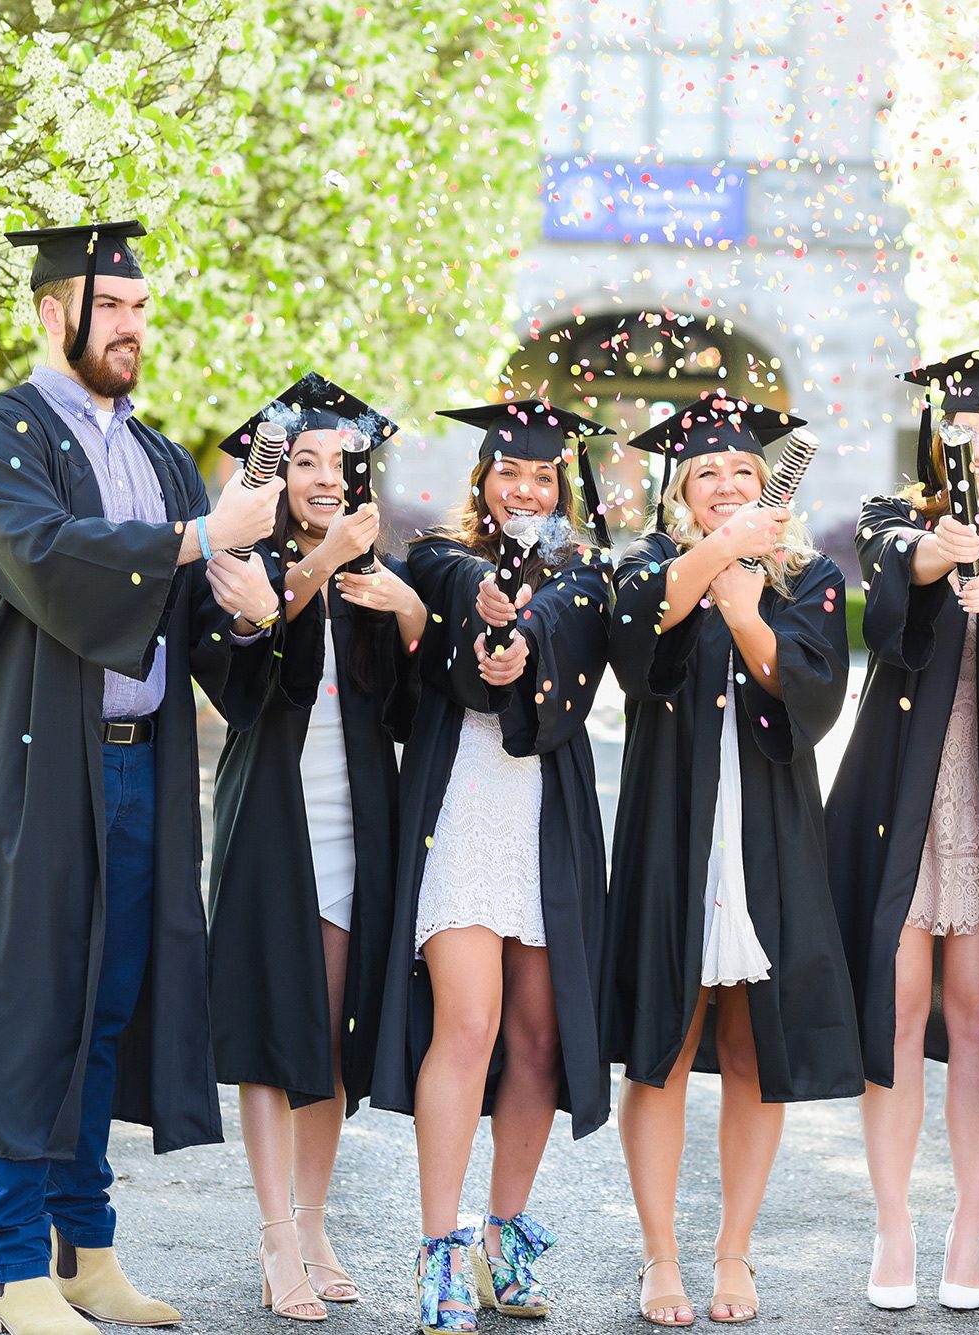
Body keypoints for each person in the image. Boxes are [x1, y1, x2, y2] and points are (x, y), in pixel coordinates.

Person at [0, 220, 286, 1335]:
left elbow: (190, 623)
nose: (136, 329)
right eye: (116, 311)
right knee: (27, 1012)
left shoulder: (153, 458)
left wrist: (251, 615)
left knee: (104, 1012)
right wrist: (198, 540)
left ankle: (87, 1254)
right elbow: (51, 564)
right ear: (53, 313)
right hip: (33, 773)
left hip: (142, 776)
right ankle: (15, 1276)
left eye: (144, 311)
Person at [603, 391, 860, 1328]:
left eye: (740, 471)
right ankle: (661, 1256)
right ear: (681, 493)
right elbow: (640, 653)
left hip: (769, 835)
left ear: (768, 484)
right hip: (674, 830)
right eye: (704, 473)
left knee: (755, 1043)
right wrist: (717, 561)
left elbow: (815, 698)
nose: (723, 482)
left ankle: (733, 1252)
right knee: (663, 1046)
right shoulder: (645, 568)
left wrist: (749, 609)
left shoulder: (810, 579)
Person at [824, 352, 979, 1312]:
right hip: (902, 795)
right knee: (899, 1007)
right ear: (941, 443)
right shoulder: (900, 515)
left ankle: (969, 1228)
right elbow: (890, 588)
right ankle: (895, 1227)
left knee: (978, 1015)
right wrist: (940, 550)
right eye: (967, 435)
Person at [370, 398, 616, 1335]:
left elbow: (562, 631)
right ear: (483, 478)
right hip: (464, 813)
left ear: (562, 486)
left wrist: (524, 637)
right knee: (468, 1023)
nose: (527, 487)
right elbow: (456, 590)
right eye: (512, 472)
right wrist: (483, 610)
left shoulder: (585, 581)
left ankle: (501, 1247)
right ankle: (440, 1250)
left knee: (540, 1038)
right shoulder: (440, 556)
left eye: (545, 475)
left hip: (546, 820)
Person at [202, 373, 425, 1322]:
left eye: (339, 460)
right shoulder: (235, 559)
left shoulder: (377, 569)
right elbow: (238, 687)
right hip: (272, 816)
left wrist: (410, 613)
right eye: (304, 461)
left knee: (328, 1035)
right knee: (270, 1032)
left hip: (355, 819)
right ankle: (275, 1234)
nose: (325, 476)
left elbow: (410, 714)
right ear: (276, 472)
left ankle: (318, 1218)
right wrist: (309, 572)